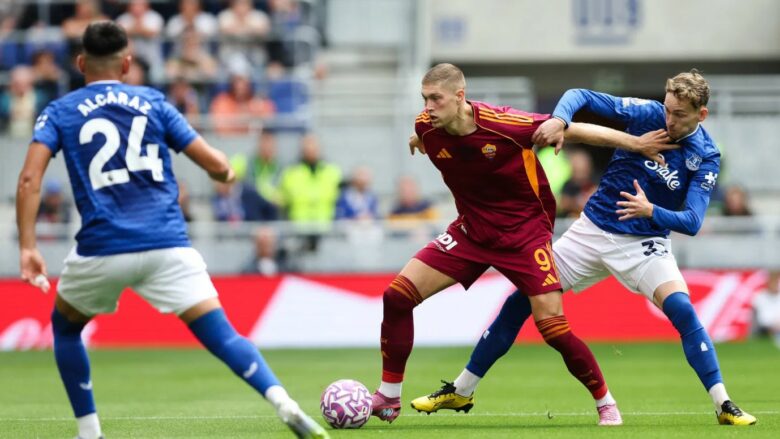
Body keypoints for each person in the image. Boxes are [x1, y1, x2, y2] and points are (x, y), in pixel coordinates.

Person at [15, 22, 327, 439]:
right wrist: (226, 173)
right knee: (222, 335)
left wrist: (28, 246)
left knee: (67, 328)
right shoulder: (153, 102)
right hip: (166, 244)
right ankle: (282, 401)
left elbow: (29, 180)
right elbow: (216, 164)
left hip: (102, 247)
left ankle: (89, 432)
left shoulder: (59, 111)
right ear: (128, 63)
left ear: (80, 63)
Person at [411, 70, 757, 426]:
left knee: (683, 311)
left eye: (679, 114)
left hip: (645, 244)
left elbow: (693, 221)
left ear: (701, 114)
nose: (669, 120)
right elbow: (580, 95)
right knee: (520, 302)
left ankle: (723, 404)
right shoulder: (647, 113)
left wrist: (651, 210)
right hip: (590, 232)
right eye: (668, 109)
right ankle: (462, 390)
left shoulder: (705, 155)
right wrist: (560, 120)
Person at [371, 63, 675, 426]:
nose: (428, 107)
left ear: (460, 96)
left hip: (524, 235)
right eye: (425, 99)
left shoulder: (505, 124)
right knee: (397, 296)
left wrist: (635, 143)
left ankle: (605, 402)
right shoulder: (426, 125)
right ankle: (388, 396)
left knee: (553, 328)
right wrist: (417, 139)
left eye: (436, 99)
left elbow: (573, 129)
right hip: (471, 232)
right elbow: (429, 134)